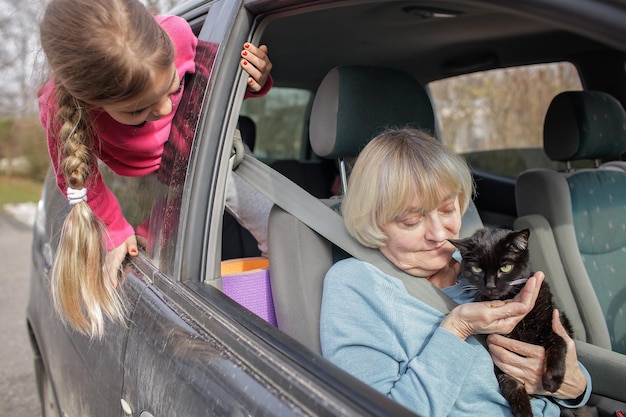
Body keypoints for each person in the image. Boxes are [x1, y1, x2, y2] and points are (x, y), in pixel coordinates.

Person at [38, 0, 273, 338]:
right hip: (139, 183)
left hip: (196, 152)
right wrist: (117, 232)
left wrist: (254, 80)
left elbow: (212, 93)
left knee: (277, 226)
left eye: (172, 87)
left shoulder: (178, 35)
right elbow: (80, 179)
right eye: (137, 111)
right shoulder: (61, 110)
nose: (164, 109)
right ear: (92, 104)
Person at [319, 128, 591, 417]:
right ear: (375, 221)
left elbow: (562, 365)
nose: (439, 234)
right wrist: (457, 328)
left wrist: (575, 386)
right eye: (412, 220)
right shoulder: (357, 285)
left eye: (448, 209)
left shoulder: (479, 263)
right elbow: (371, 411)